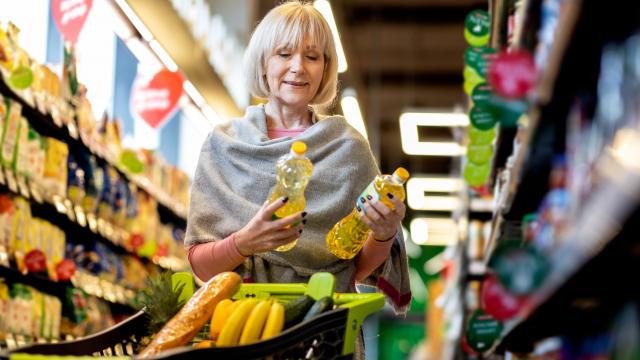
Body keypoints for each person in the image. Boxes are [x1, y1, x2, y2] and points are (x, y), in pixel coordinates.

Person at [185, 0, 411, 347]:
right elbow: (200, 266)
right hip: (239, 331)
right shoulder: (224, 144)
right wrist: (244, 243)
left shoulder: (349, 148)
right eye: (284, 54)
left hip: (325, 333)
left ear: (325, 68)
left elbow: (356, 267)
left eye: (312, 56)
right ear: (263, 61)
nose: (298, 67)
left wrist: (382, 234)